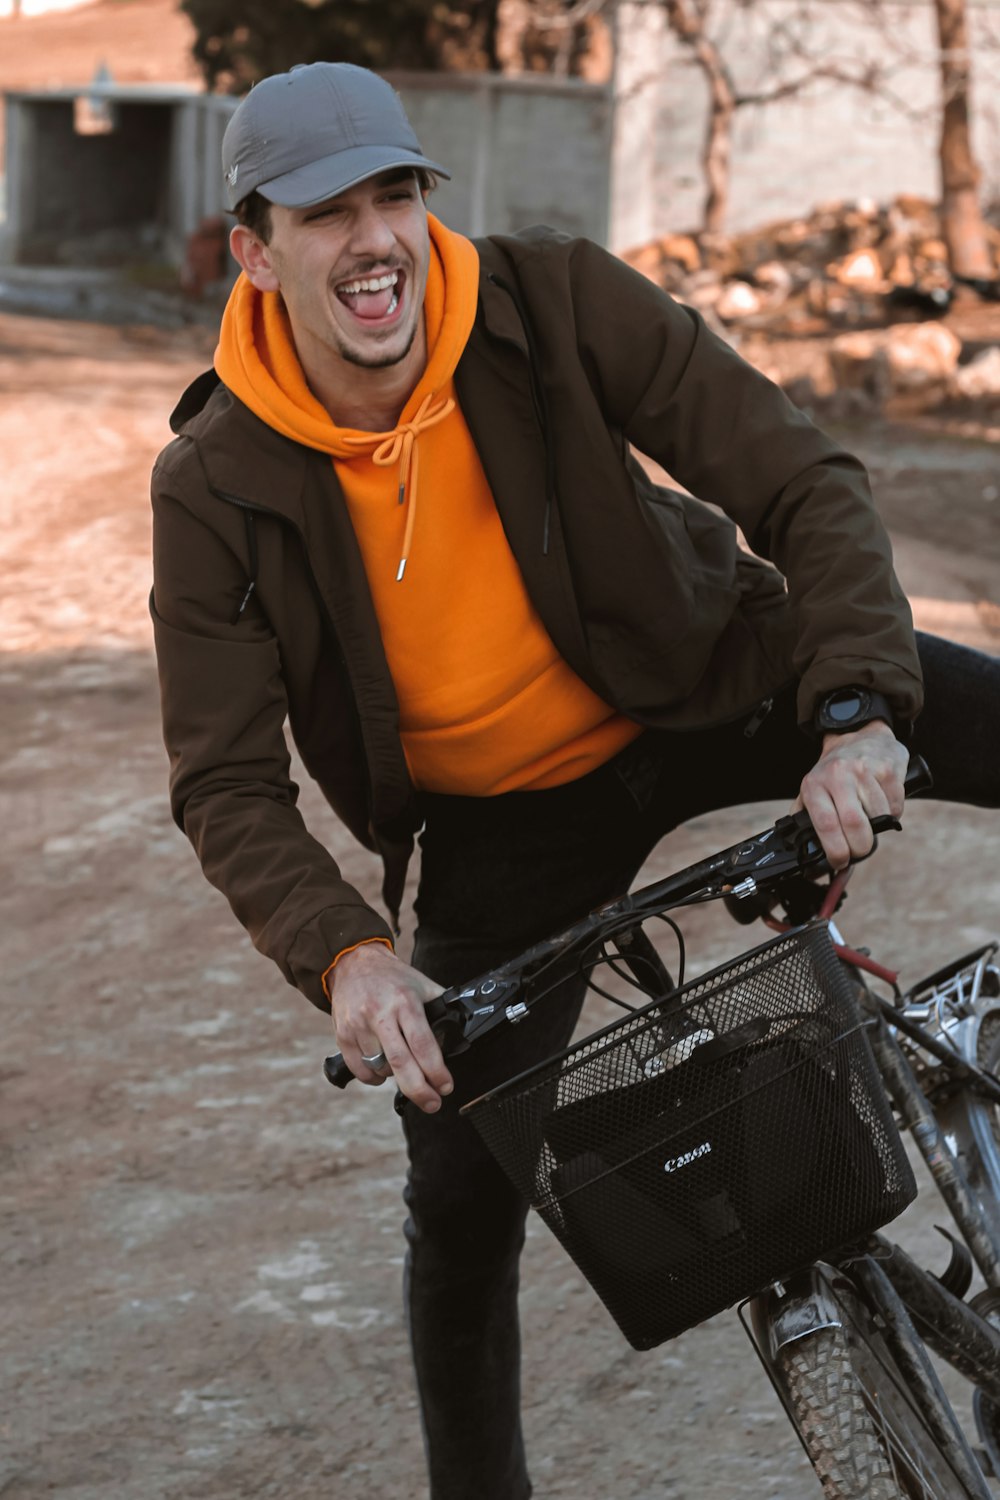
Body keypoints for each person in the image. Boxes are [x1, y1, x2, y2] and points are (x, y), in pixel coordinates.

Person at [150, 60, 1000, 1500]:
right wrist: (351, 959)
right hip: (504, 825)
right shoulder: (217, 480)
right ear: (253, 247)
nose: (376, 242)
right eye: (326, 214)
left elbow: (802, 479)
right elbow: (227, 782)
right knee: (461, 1205)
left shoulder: (551, 299)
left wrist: (857, 714)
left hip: (707, 683)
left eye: (396, 196)